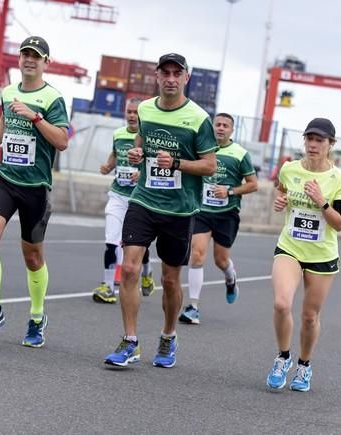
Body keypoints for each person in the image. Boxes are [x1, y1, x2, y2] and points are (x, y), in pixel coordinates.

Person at [103, 53, 217, 368]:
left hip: (179, 209)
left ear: (185, 78)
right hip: (143, 199)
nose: (170, 78)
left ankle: (168, 336)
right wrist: (139, 153)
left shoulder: (197, 118)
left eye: (176, 73)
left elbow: (210, 165)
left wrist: (177, 163)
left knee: (169, 280)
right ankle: (130, 341)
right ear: (156, 76)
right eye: (164, 72)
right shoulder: (145, 109)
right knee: (128, 269)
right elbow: (142, 143)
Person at [0, 36, 69, 348]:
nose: (29, 60)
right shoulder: (8, 91)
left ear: (45, 63)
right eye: (25, 54)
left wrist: (35, 117)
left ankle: (37, 317)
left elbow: (62, 140)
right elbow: (4, 117)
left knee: (33, 256)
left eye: (36, 56)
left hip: (36, 186)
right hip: (6, 178)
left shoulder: (53, 98)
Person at [266, 118, 341, 392]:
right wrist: (280, 201)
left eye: (320, 141)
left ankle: (304, 365)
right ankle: (282, 358)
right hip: (290, 246)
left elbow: (340, 223)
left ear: (330, 145)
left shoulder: (339, 179)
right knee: (281, 303)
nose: (313, 145)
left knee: (309, 316)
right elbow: (281, 192)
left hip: (322, 255)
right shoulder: (289, 169)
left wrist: (321, 201)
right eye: (309, 139)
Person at [178, 113, 258, 325]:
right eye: (218, 124)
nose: (221, 128)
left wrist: (230, 191)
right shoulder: (201, 150)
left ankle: (230, 278)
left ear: (232, 130)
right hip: (202, 210)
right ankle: (193, 306)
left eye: (225, 125)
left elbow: (253, 184)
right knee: (196, 254)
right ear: (212, 127)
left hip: (227, 214)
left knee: (221, 260)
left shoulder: (240, 154)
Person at [92, 97, 156, 303]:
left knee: (138, 246)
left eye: (135, 112)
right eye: (129, 111)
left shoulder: (149, 137)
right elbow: (115, 154)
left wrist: (143, 174)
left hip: (140, 200)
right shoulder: (118, 134)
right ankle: (108, 286)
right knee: (111, 241)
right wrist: (108, 166)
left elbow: (157, 165)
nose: (131, 116)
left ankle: (147, 273)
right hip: (118, 195)